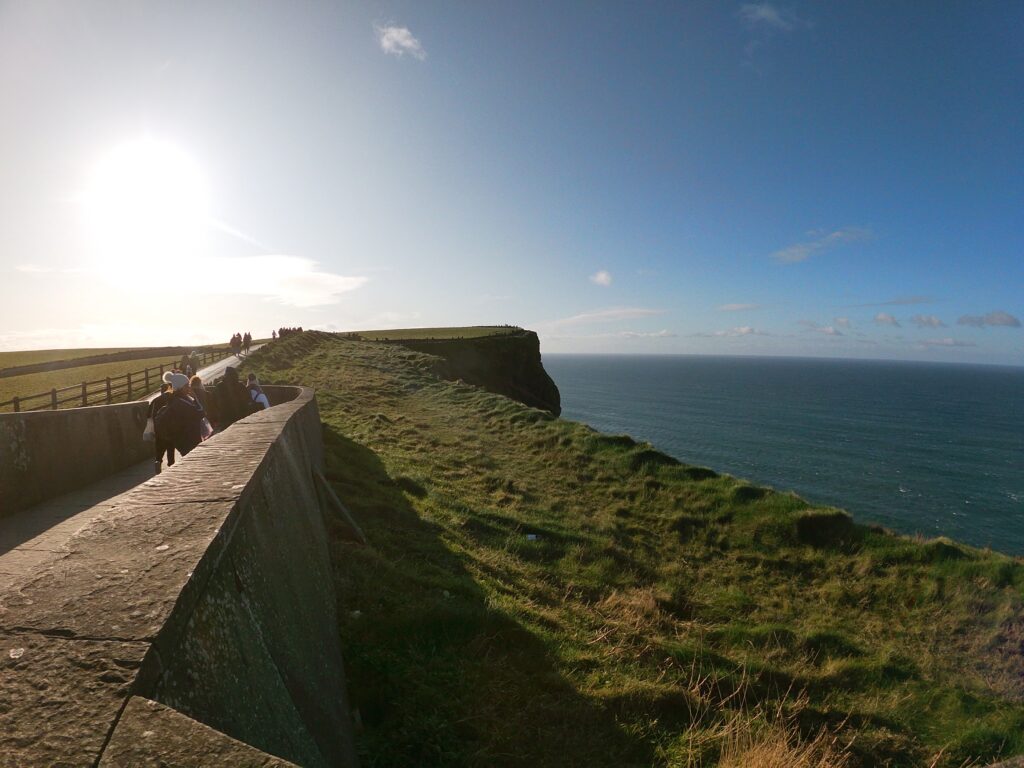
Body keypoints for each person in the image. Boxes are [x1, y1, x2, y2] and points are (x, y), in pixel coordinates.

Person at [153, 372, 206, 456]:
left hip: (183, 442)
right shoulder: (182, 402)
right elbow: (200, 413)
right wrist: (196, 398)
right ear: (180, 387)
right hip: (189, 441)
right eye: (186, 385)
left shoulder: (176, 400)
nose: (189, 387)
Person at [148, 375, 176, 474]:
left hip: (158, 428)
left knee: (159, 447)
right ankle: (171, 465)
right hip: (170, 428)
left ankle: (158, 461)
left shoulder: (155, 401)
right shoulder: (172, 398)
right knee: (170, 448)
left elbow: (148, 415)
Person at [209, 365, 250, 430]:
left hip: (224, 418)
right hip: (240, 418)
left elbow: (213, 402)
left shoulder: (219, 386)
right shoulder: (241, 386)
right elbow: (247, 400)